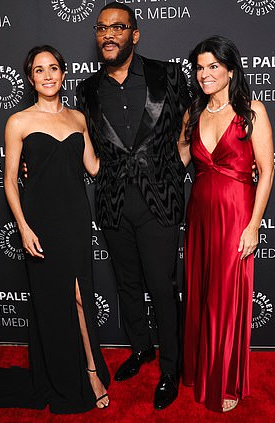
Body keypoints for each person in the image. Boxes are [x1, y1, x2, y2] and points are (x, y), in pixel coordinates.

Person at [0, 45, 110, 414]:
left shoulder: (78, 118)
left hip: (76, 219)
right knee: (53, 303)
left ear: (63, 73)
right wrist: (24, 227)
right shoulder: (19, 121)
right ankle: (70, 375)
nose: (47, 75)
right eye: (39, 70)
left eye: (53, 68)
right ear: (30, 79)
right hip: (41, 222)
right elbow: (10, 182)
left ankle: (91, 370)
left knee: (81, 296)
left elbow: (94, 167)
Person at [75, 2, 189, 410]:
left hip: (160, 200)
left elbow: (189, 127)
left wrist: (172, 169)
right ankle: (141, 349)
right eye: (101, 28)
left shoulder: (169, 75)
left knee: (162, 285)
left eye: (118, 27)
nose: (108, 34)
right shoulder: (86, 89)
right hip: (112, 201)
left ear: (134, 34)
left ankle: (171, 367)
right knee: (127, 284)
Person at [178, 35, 275, 413]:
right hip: (200, 216)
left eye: (213, 67)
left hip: (236, 215)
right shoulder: (193, 113)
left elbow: (265, 173)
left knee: (228, 299)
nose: (205, 74)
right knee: (201, 293)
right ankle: (201, 368)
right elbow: (176, 165)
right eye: (200, 68)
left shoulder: (252, 111)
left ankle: (228, 378)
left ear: (231, 69)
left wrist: (253, 226)